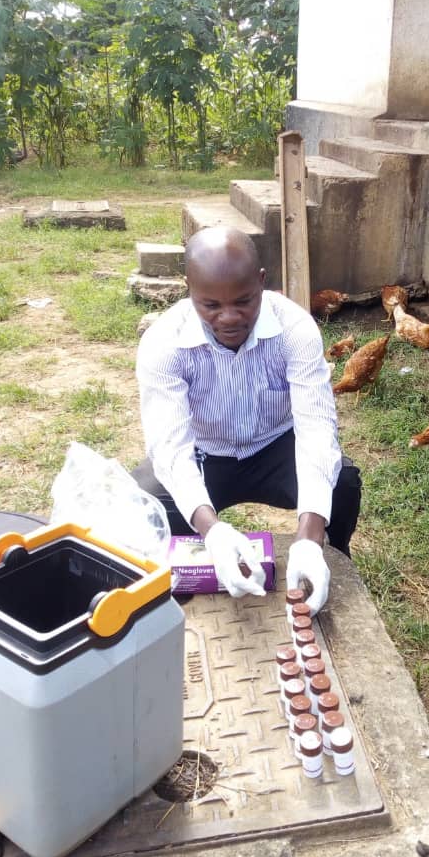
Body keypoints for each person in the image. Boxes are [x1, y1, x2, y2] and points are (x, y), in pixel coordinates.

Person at [133, 226, 361, 614]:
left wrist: (308, 536)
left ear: (261, 282)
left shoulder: (294, 329)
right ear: (189, 288)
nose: (229, 318)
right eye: (210, 305)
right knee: (146, 508)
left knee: (341, 485)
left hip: (275, 446)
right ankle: (181, 589)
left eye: (243, 301)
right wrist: (212, 531)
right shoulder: (163, 344)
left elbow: (316, 431)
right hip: (204, 453)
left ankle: (327, 560)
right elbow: (171, 450)